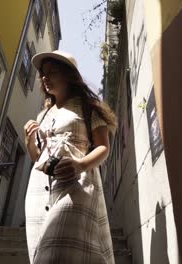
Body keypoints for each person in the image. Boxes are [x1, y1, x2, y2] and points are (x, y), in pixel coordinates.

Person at [23, 50, 117, 263]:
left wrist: (81, 165)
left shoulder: (88, 108)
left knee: (59, 251)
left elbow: (104, 147)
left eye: (52, 72)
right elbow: (37, 158)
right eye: (42, 74)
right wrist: (29, 142)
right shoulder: (43, 114)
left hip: (76, 185)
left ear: (68, 75)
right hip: (38, 191)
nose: (45, 77)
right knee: (43, 255)